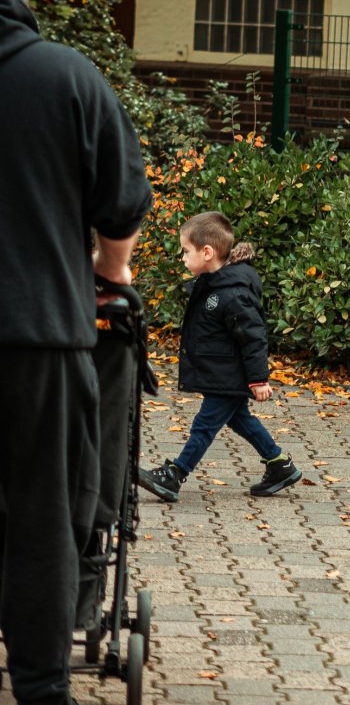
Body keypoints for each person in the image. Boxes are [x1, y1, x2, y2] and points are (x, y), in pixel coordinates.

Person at [0, 0, 152, 705]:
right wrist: (112, 271)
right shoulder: (66, 79)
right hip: (37, 331)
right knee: (41, 515)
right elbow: (120, 204)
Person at [138, 212, 300, 502]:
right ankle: (279, 465)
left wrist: (258, 378)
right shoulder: (214, 284)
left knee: (205, 425)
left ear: (207, 252)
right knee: (239, 419)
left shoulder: (232, 292)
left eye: (186, 252)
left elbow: (254, 336)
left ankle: (175, 473)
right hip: (222, 371)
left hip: (231, 374)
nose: (182, 258)